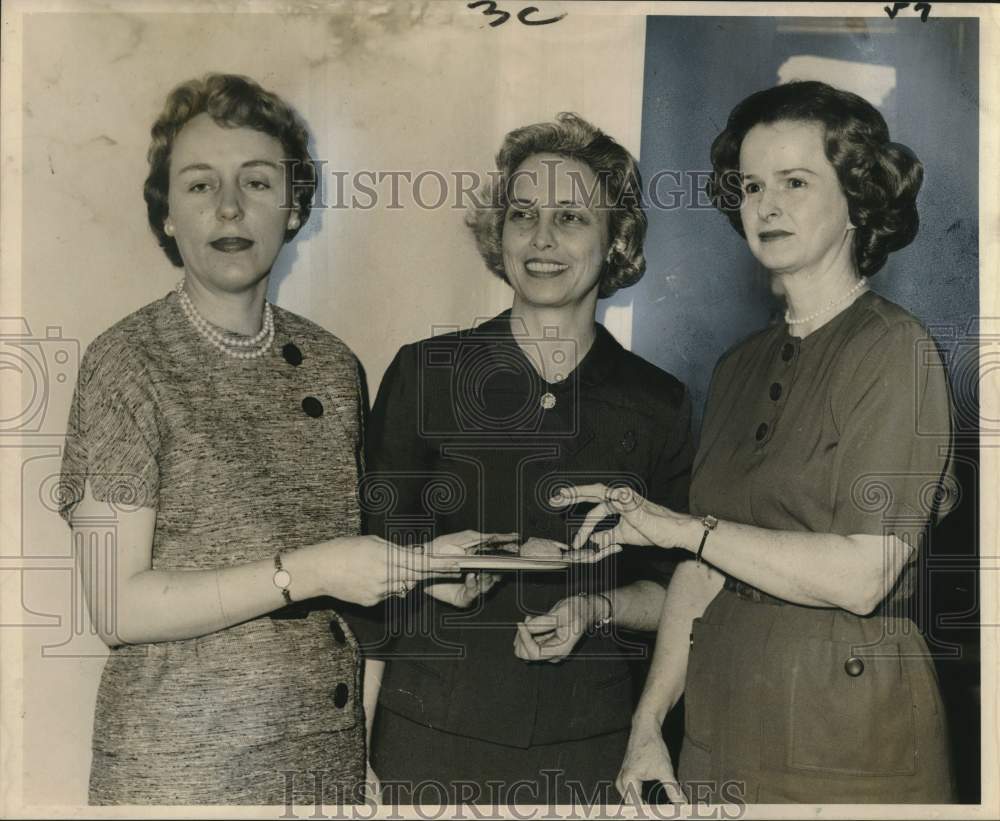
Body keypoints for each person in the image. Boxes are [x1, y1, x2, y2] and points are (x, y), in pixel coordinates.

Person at [57, 73, 494, 806]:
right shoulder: (126, 362)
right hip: (183, 772)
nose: (230, 207)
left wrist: (419, 574)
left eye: (257, 182)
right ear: (167, 215)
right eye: (199, 186)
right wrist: (310, 570)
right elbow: (115, 605)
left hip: (322, 757)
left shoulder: (330, 363)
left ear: (292, 206)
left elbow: (344, 572)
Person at [556, 81, 957, 804]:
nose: (765, 204)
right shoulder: (738, 366)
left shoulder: (896, 351)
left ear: (857, 201)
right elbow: (699, 571)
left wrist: (684, 527)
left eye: (795, 182)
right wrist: (649, 723)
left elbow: (862, 576)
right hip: (720, 725)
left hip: (849, 741)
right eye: (750, 184)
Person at [349, 113, 695, 806]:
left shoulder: (658, 402)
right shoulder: (425, 374)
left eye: (570, 216)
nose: (541, 238)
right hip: (424, 744)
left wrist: (596, 607)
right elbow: (366, 569)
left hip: (587, 750)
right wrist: (357, 748)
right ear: (498, 232)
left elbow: (677, 595)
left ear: (616, 237)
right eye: (522, 214)